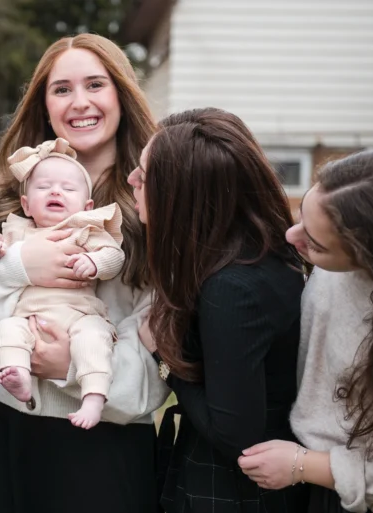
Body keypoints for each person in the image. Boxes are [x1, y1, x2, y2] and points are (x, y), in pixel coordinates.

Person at [0, 34, 170, 513]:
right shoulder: (4, 200)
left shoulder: (154, 205)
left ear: (121, 93)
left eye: (95, 84)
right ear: (44, 104)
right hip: (0, 423)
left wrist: (71, 370)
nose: (80, 103)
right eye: (61, 89)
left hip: (104, 434)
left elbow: (159, 350)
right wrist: (17, 267)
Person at [238, 149, 373, 512]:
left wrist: (302, 465)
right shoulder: (335, 258)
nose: (291, 236)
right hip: (323, 488)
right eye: (301, 216)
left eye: (316, 243)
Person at [129, 107, 307, 512]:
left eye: (145, 174)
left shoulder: (232, 289)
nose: (132, 180)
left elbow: (235, 436)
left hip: (232, 493)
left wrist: (162, 356)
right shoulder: (263, 251)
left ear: (182, 194)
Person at [0, 138, 124, 429]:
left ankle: (94, 395)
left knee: (93, 340)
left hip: (80, 316)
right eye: (44, 187)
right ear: (26, 205)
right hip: (29, 318)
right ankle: (16, 373)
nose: (56, 191)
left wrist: (95, 264)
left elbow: (114, 256)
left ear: (87, 205)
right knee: (7, 330)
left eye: (68, 189)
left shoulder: (86, 229)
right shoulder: (17, 230)